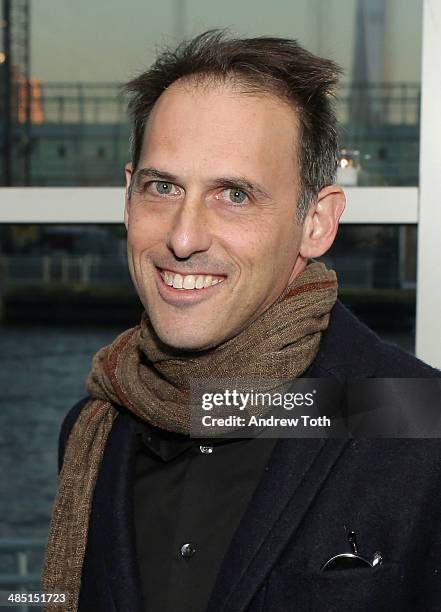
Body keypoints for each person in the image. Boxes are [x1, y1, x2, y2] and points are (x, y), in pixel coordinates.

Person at [42, 31, 441, 612]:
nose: (183, 237)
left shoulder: (419, 426)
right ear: (128, 197)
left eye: (234, 195)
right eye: (162, 187)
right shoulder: (95, 431)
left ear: (317, 223)